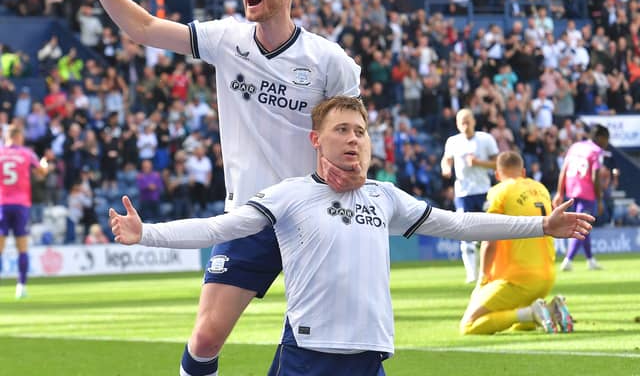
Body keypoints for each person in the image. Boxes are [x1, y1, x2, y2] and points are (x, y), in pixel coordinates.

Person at [110, 96, 595, 375]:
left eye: (360, 131)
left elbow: (460, 223)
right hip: (308, 359)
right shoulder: (289, 195)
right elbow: (220, 227)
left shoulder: (386, 197)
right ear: (317, 140)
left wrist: (542, 225)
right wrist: (145, 233)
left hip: (369, 359)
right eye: (341, 130)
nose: (354, 139)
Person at [62, 0, 362, 376]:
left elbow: (356, 129)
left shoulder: (327, 59)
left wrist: (356, 174)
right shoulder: (227, 39)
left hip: (314, 217)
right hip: (250, 214)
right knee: (204, 339)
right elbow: (143, 28)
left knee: (320, 337)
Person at [460, 151, 574, 336]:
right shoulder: (541, 189)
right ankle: (552, 309)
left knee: (469, 325)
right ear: (523, 171)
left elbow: (490, 238)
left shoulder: (500, 191)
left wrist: (482, 278)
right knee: (519, 323)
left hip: (518, 279)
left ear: (497, 174)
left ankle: (532, 312)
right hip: (546, 278)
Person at [441, 108, 499, 283]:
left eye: (468, 121)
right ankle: (471, 274)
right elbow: (446, 159)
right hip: (463, 193)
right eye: (461, 122)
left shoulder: (486, 139)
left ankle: (489, 270)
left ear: (474, 121)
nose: (465, 125)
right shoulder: (453, 141)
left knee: (487, 233)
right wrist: (446, 168)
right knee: (463, 231)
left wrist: (479, 163)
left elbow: (498, 163)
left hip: (483, 191)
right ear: (457, 124)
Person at [553, 124, 610, 271]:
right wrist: (599, 199)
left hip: (571, 190)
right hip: (586, 193)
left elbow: (564, 169)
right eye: (606, 139)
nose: (606, 143)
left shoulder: (575, 146)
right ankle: (568, 260)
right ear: (600, 138)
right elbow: (595, 176)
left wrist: (560, 192)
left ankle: (590, 260)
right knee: (581, 226)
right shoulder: (596, 151)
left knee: (583, 226)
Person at [0, 125, 48, 298]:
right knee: (22, 247)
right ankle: (21, 286)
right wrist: (45, 164)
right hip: (21, 205)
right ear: (19, 137)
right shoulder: (26, 153)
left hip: (2, 204)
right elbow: (41, 173)